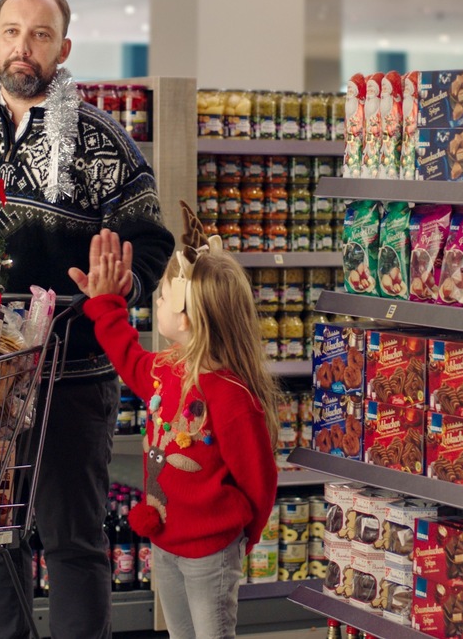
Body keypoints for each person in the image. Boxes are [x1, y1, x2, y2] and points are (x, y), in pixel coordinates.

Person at [0, 0, 174, 639]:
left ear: (64, 48)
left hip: (71, 376)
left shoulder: (101, 138)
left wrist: (117, 289)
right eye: (12, 31)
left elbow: (153, 240)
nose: (24, 47)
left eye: (41, 34)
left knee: (72, 541)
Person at [69, 217, 279, 639]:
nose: (157, 304)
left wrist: (243, 537)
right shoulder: (165, 370)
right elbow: (127, 355)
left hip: (212, 552)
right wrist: (106, 302)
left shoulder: (232, 395)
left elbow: (259, 479)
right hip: (163, 541)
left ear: (183, 317)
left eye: (162, 297)